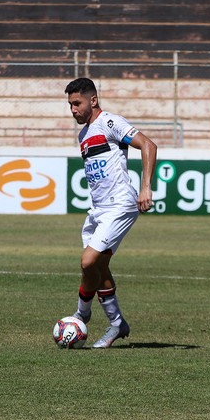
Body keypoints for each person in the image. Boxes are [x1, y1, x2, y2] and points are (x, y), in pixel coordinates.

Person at [65, 77, 157, 348]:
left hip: (120, 204)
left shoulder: (110, 122)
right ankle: (117, 324)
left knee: (87, 261)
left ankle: (81, 314)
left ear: (93, 100)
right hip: (98, 210)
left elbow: (148, 145)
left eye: (77, 103)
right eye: (69, 105)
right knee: (98, 267)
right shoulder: (83, 135)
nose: (73, 110)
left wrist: (146, 188)